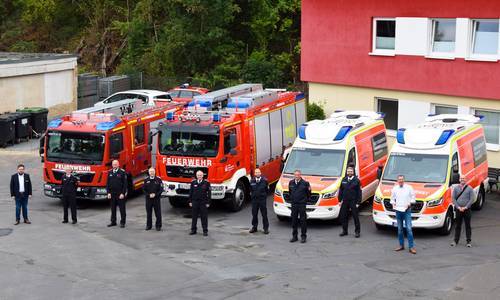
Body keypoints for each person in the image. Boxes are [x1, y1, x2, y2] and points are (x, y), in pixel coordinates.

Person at [391, 175, 417, 254]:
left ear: (404, 180)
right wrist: (393, 204)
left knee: (409, 229)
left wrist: (409, 203)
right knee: (400, 229)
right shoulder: (394, 188)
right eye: (399, 180)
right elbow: (392, 199)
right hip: (398, 211)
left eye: (402, 179)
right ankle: (401, 245)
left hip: (406, 210)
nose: (401, 181)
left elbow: (414, 199)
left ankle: (411, 247)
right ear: (397, 181)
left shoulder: (409, 187)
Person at [451, 175, 475, 247]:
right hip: (458, 210)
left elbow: (471, 199)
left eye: (464, 178)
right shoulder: (456, 188)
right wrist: (458, 207)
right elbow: (453, 199)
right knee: (458, 226)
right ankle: (455, 241)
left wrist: (465, 207)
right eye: (461, 178)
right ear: (459, 179)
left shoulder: (470, 188)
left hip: (467, 210)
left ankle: (468, 242)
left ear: (466, 179)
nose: (462, 179)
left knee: (468, 226)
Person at [339, 166, 362, 238]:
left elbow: (359, 192)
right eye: (348, 171)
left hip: (353, 201)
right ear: (346, 172)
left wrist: (358, 202)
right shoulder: (344, 179)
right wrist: (340, 200)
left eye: (351, 171)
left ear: (353, 172)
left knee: (355, 217)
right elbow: (341, 191)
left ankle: (357, 232)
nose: (349, 173)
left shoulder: (357, 180)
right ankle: (344, 231)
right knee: (344, 216)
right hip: (345, 201)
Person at [289, 169, 311, 243]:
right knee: (294, 220)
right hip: (294, 204)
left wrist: (304, 201)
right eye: (295, 175)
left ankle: (303, 237)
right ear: (294, 175)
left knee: (303, 221)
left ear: (300, 175)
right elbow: (290, 192)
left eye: (298, 175)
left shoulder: (305, 183)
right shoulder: (291, 183)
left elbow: (309, 194)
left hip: (302, 204)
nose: (296, 176)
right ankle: (294, 236)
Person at [106, 160, 128, 228]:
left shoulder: (122, 172)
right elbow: (107, 183)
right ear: (112, 165)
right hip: (112, 193)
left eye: (116, 164)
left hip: (120, 194)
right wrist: (108, 192)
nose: (114, 165)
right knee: (113, 209)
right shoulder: (110, 172)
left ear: (118, 164)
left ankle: (122, 222)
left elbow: (125, 184)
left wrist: (123, 193)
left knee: (122, 209)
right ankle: (113, 221)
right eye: (113, 164)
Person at [189, 170, 211, 236]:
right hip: (195, 202)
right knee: (194, 217)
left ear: (203, 176)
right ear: (196, 176)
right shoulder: (193, 182)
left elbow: (209, 193)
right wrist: (190, 201)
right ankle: (193, 230)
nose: (199, 176)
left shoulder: (206, 183)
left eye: (200, 175)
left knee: (204, 217)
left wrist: (208, 202)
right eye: (198, 175)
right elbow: (191, 192)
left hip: (203, 202)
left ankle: (205, 231)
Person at [249, 168, 269, 234]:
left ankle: (266, 228)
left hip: (262, 200)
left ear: (260, 173)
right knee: (254, 214)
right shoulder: (252, 181)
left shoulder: (265, 181)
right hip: (255, 200)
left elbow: (267, 190)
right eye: (256, 172)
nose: (257, 173)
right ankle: (254, 227)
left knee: (264, 215)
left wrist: (263, 196)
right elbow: (250, 190)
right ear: (255, 174)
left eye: (258, 172)